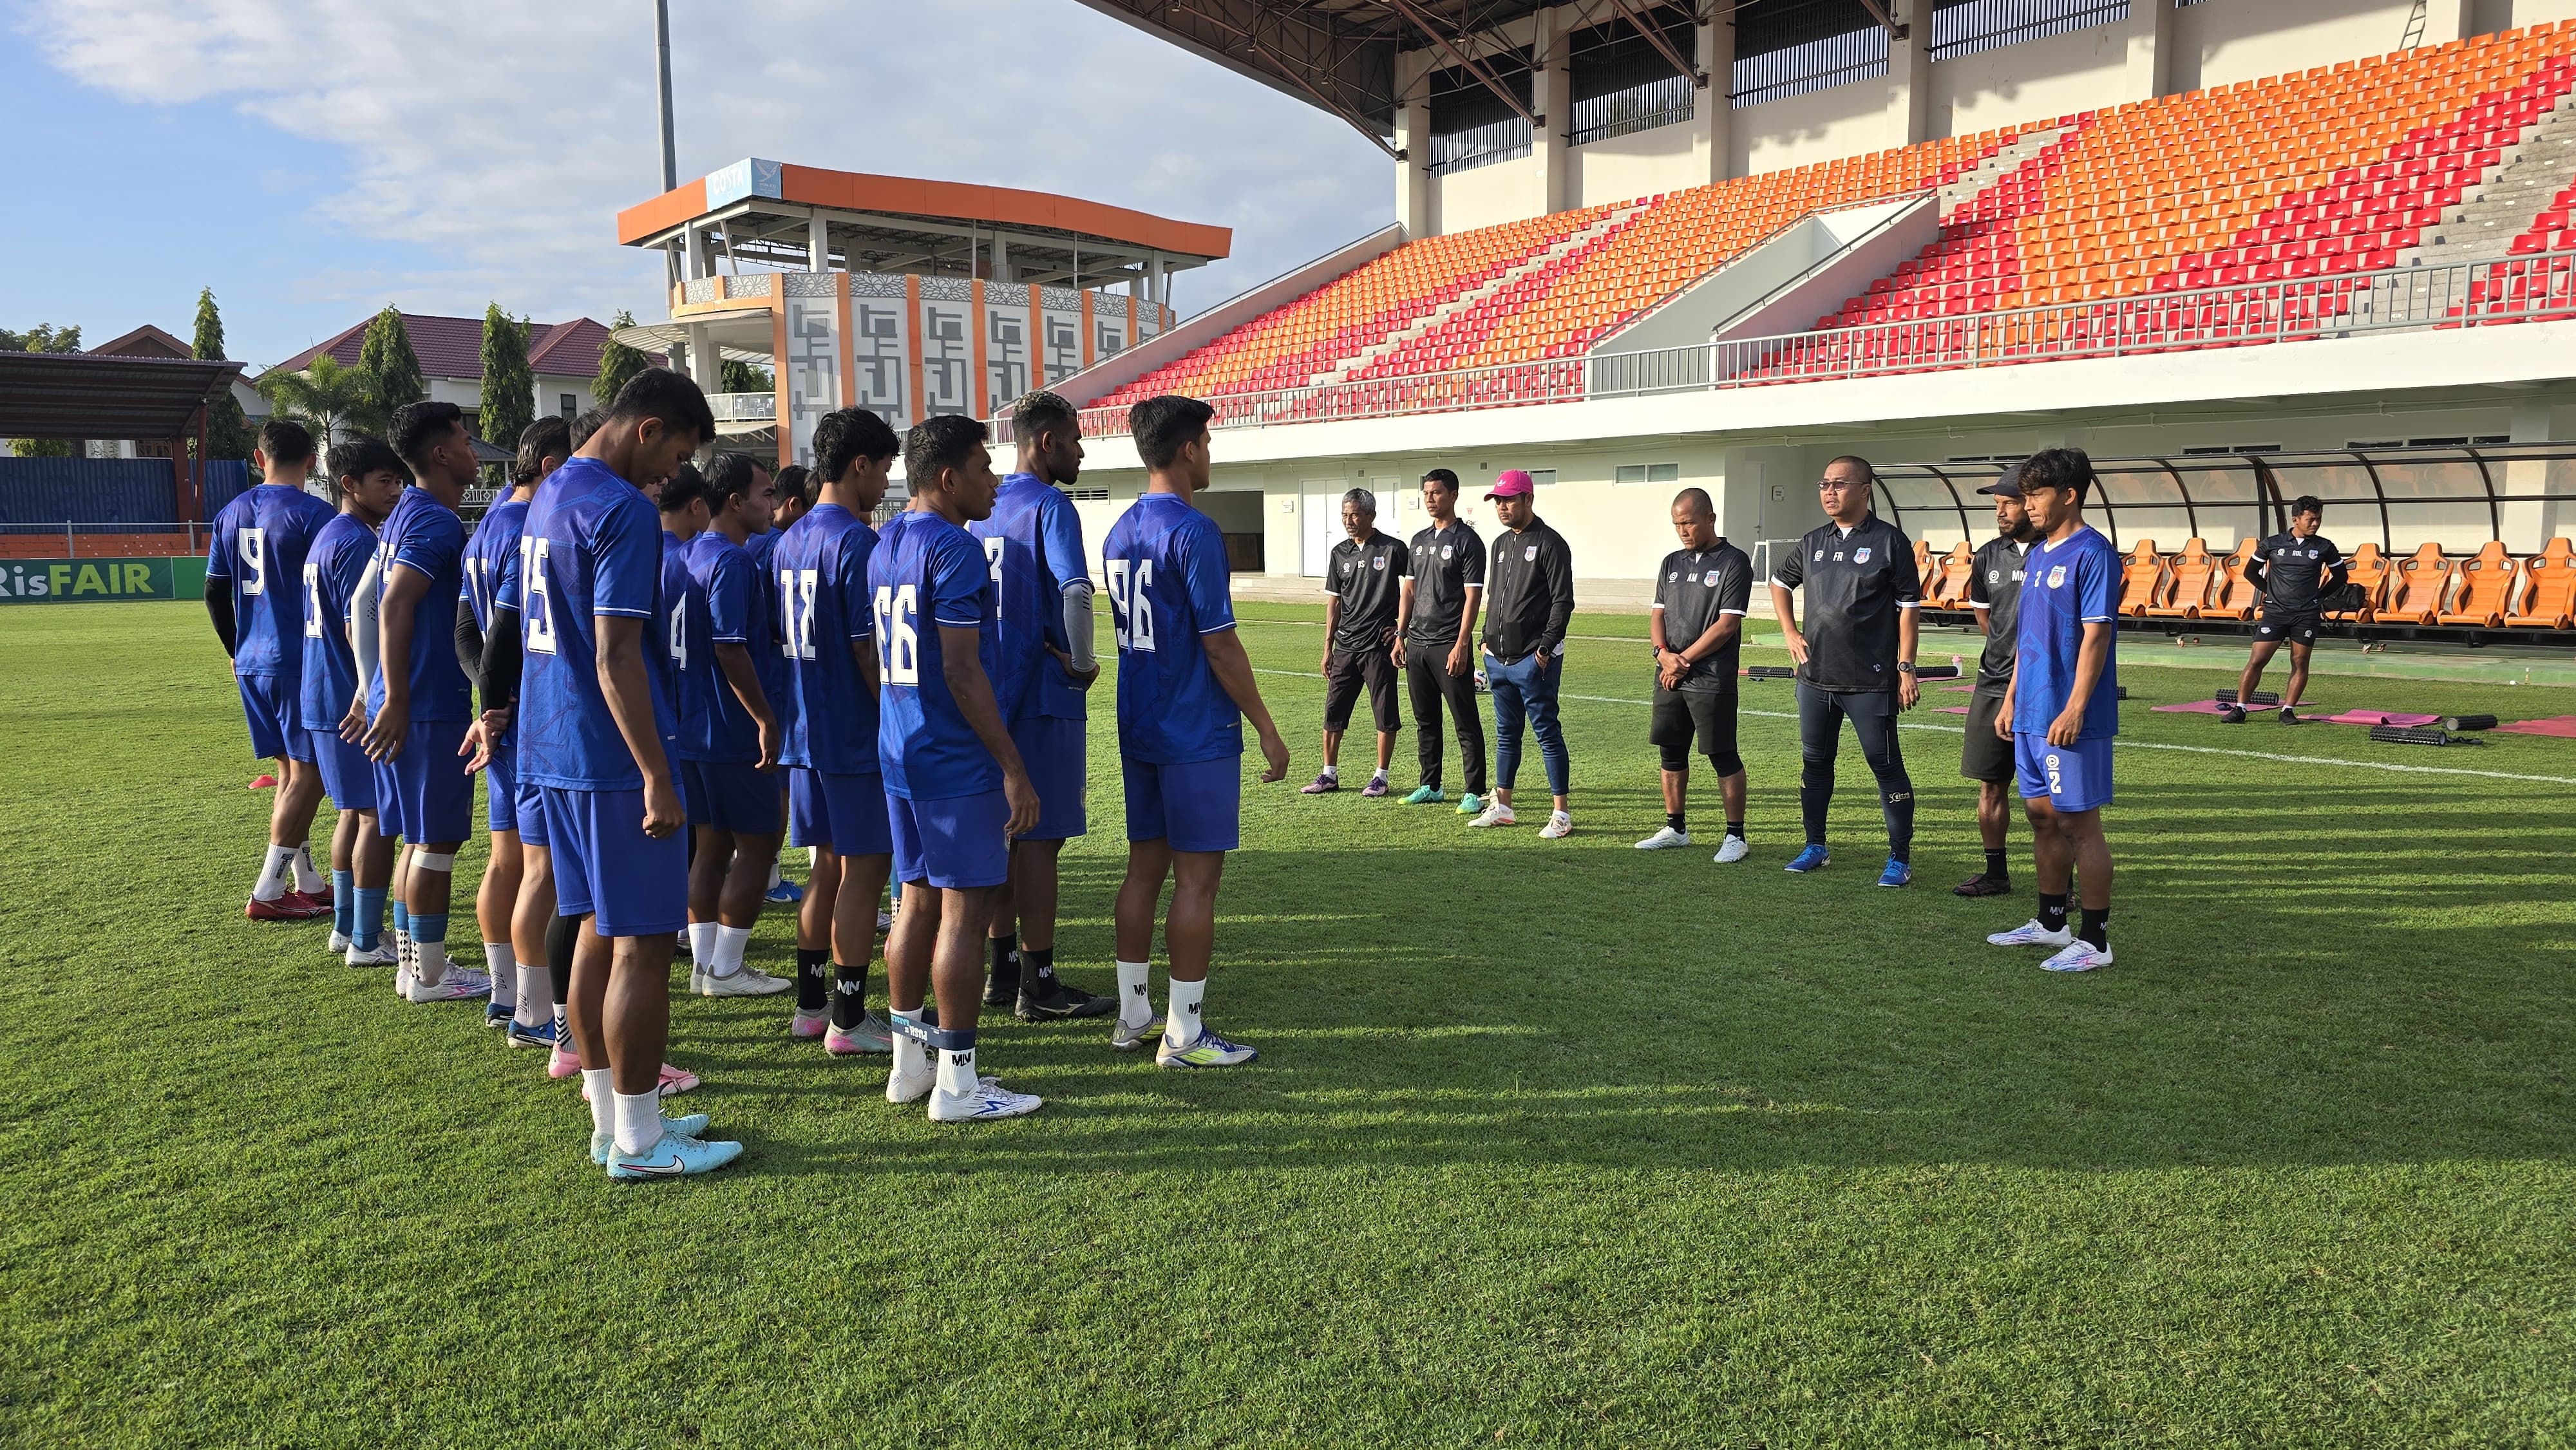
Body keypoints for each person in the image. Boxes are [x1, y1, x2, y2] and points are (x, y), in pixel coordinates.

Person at [516, 368, 737, 1178]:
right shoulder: (620, 509)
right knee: (641, 945)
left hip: (551, 747)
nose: (670, 475)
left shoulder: (549, 490)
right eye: (674, 454)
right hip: (609, 755)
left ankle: (615, 1119)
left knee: (592, 933)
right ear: (647, 429)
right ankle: (641, 1140)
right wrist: (655, 771)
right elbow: (615, 655)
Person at [1103, 395, 1291, 1066]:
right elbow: (1220, 644)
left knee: (1144, 867)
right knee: (1195, 882)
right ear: (1187, 448)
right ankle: (1183, 1034)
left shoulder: (1119, 529)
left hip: (1140, 720)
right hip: (1194, 728)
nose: (1209, 453)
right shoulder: (1195, 530)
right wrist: (1266, 725)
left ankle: (1132, 1016)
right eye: (1206, 442)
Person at [873, 415, 1046, 1120]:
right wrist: (1013, 766)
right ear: (948, 478)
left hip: (899, 747)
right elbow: (962, 669)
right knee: (965, 912)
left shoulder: (884, 540)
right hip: (951, 755)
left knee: (914, 899)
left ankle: (908, 1065)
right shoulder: (957, 550)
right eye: (982, 466)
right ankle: (959, 1084)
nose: (994, 479)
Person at [967, 390, 1112, 1021]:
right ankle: (1041, 982)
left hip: (986, 688)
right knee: (1042, 839)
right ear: (1046, 441)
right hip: (1044, 692)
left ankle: (999, 973)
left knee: (1004, 833)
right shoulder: (1051, 505)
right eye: (1076, 438)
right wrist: (1081, 663)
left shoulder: (981, 507)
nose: (1082, 448)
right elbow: (1075, 589)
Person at [777, 408, 901, 1055]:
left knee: (825, 866)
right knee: (864, 870)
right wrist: (895, 714)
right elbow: (865, 649)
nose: (885, 482)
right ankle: (849, 1019)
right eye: (883, 468)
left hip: (803, 729)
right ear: (859, 465)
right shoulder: (855, 542)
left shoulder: (789, 538)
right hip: (851, 731)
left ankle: (810, 1002)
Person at [363, 401, 491, 1003]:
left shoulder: (406, 514)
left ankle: (412, 964)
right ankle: (429, 973)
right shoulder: (435, 521)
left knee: (418, 838)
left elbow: (370, 603)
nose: (473, 451)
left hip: (406, 698)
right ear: (441, 453)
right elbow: (391, 604)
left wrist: (379, 691)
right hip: (426, 702)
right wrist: (396, 698)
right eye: (464, 440)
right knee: (436, 841)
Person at [1985, 448, 2119, 972]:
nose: (2028, 504)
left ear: (2069, 495)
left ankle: (2096, 940)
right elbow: (2028, 637)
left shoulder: (2093, 553)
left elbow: (2096, 636)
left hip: (2069, 719)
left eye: (2036, 494)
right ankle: (2050, 923)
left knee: (2079, 826)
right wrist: (2014, 697)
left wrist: (2076, 707)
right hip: (2030, 712)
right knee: (2041, 819)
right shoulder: (2039, 554)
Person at [457, 415, 569, 1028]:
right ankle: (531, 1012)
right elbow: (500, 632)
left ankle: (507, 995)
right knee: (541, 871)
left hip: (504, 717)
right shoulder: (531, 526)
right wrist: (499, 702)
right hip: (533, 721)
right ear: (553, 467)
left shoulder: (484, 529)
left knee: (506, 864)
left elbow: (464, 632)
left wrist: (487, 701)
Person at [1767, 455, 1924, 887]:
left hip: (1870, 680)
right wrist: (1790, 632)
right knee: (1815, 762)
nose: (1829, 492)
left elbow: (1909, 610)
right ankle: (1815, 846)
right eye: (1823, 484)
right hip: (1816, 678)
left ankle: (1900, 857)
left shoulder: (1891, 542)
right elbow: (1780, 583)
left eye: (1839, 484)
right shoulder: (1813, 540)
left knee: (1885, 764)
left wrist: (1905, 668)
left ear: (1864, 489)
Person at [207, 419, 338, 921]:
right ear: (312, 460)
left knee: (289, 773)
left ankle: (307, 879)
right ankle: (268, 890)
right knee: (311, 776)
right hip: (298, 662)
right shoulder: (314, 513)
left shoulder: (230, 512)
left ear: (259, 459)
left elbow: (215, 592)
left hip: (252, 660)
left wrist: (233, 649)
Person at [677, 451, 791, 999]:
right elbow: (730, 647)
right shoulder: (733, 561)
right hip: (730, 728)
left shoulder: (684, 555)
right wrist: (764, 717)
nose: (772, 504)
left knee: (711, 846)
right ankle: (725, 970)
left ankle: (707, 966)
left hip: (692, 727)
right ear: (733, 501)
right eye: (765, 493)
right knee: (758, 844)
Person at [303, 438, 406, 964]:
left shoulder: (328, 535)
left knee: (351, 813)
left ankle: (346, 928)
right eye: (384, 481)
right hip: (350, 699)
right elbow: (356, 625)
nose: (396, 490)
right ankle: (366, 938)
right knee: (375, 819)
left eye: (397, 480)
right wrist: (370, 695)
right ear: (349, 485)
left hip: (321, 695)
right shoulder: (358, 542)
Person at [1634, 488, 1752, 862]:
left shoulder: (1735, 561)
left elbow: (1727, 624)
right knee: (1671, 752)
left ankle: (1736, 837)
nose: (1683, 530)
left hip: (1710, 676)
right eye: (1677, 524)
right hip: (1669, 672)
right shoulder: (1671, 563)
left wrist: (1681, 659)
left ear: (1710, 519)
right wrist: (1663, 655)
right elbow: (1657, 615)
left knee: (1721, 753)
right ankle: (1675, 828)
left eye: (1688, 522)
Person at [1471, 470, 1575, 837]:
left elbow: (1563, 602)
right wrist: (1485, 640)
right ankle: (1504, 806)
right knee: (1506, 733)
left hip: (1534, 660)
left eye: (1509, 499)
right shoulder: (1499, 544)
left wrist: (1544, 649)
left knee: (1547, 732)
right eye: (1498, 500)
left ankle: (1561, 814)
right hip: (1498, 659)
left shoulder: (1550, 543)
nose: (1502, 506)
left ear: (1528, 499)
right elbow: (1493, 597)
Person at [1955, 464, 2038, 898]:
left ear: (2033, 502)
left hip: (2043, 687)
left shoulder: (2055, 550)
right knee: (1991, 783)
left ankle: (2060, 884)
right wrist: (2005, 653)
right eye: (1998, 504)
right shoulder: (1988, 554)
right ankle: (1996, 873)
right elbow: (1984, 614)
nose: (2001, 511)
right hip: (1991, 683)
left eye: (2009, 502)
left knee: (2047, 794)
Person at [1300, 489, 1408, 798]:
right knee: (1333, 711)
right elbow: (1334, 604)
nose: (1349, 521)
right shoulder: (1339, 553)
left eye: (1355, 514)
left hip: (1379, 647)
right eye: (1345, 515)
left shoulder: (1393, 549)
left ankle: (1381, 777)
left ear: (1371, 515)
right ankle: (1328, 774)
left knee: (1384, 712)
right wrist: (1327, 647)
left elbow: (1414, 589)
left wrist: (1402, 630)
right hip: (1346, 647)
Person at [1392, 468, 1486, 811]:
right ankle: (1431, 784)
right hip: (1417, 643)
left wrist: (1462, 643)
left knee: (1465, 720)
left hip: (1449, 643)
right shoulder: (1418, 541)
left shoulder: (1468, 541)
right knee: (1426, 720)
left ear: (1454, 496)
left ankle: (1474, 790)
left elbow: (1473, 598)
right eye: (1427, 493)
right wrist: (1401, 636)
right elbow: (1410, 591)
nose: (1431, 499)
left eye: (1437, 493)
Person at [2222, 495, 2345, 724]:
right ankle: (2240, 709)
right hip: (2276, 612)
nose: (2316, 524)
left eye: (2318, 519)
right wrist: (2270, 592)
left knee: (2300, 661)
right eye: (2311, 519)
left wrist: (2320, 597)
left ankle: (2287, 710)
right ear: (2296, 519)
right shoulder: (2272, 543)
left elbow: (2341, 576)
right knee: (2258, 659)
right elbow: (2250, 572)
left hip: (2306, 615)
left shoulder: (2324, 546)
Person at [750, 460, 807, 907]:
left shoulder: (745, 543)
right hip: (771, 680)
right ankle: (767, 877)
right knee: (779, 783)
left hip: (735, 684)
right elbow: (778, 623)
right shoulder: (776, 545)